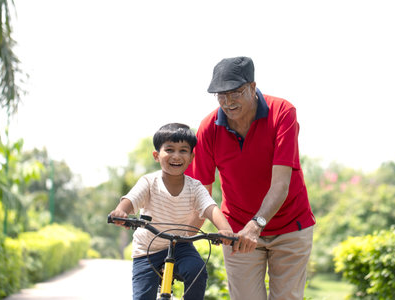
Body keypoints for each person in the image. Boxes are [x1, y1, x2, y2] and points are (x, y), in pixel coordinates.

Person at [185, 56, 316, 299]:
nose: (228, 101)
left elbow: (281, 184)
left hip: (290, 226)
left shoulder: (282, 113)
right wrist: (183, 237)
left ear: (253, 87)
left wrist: (256, 225)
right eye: (221, 95)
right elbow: (200, 192)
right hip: (236, 230)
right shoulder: (209, 127)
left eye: (235, 92)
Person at [108, 123, 235, 300]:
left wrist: (225, 229)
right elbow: (131, 199)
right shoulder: (149, 182)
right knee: (142, 297)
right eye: (169, 149)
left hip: (180, 246)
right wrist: (121, 211)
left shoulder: (195, 187)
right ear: (156, 155)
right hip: (147, 251)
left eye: (183, 150)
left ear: (191, 157)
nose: (176, 156)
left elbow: (210, 207)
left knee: (197, 270)